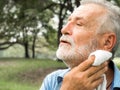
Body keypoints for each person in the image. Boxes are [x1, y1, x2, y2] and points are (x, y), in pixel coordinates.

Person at [40, 0, 120, 90]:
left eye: (79, 24)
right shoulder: (52, 81)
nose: (64, 30)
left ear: (107, 42)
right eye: (68, 22)